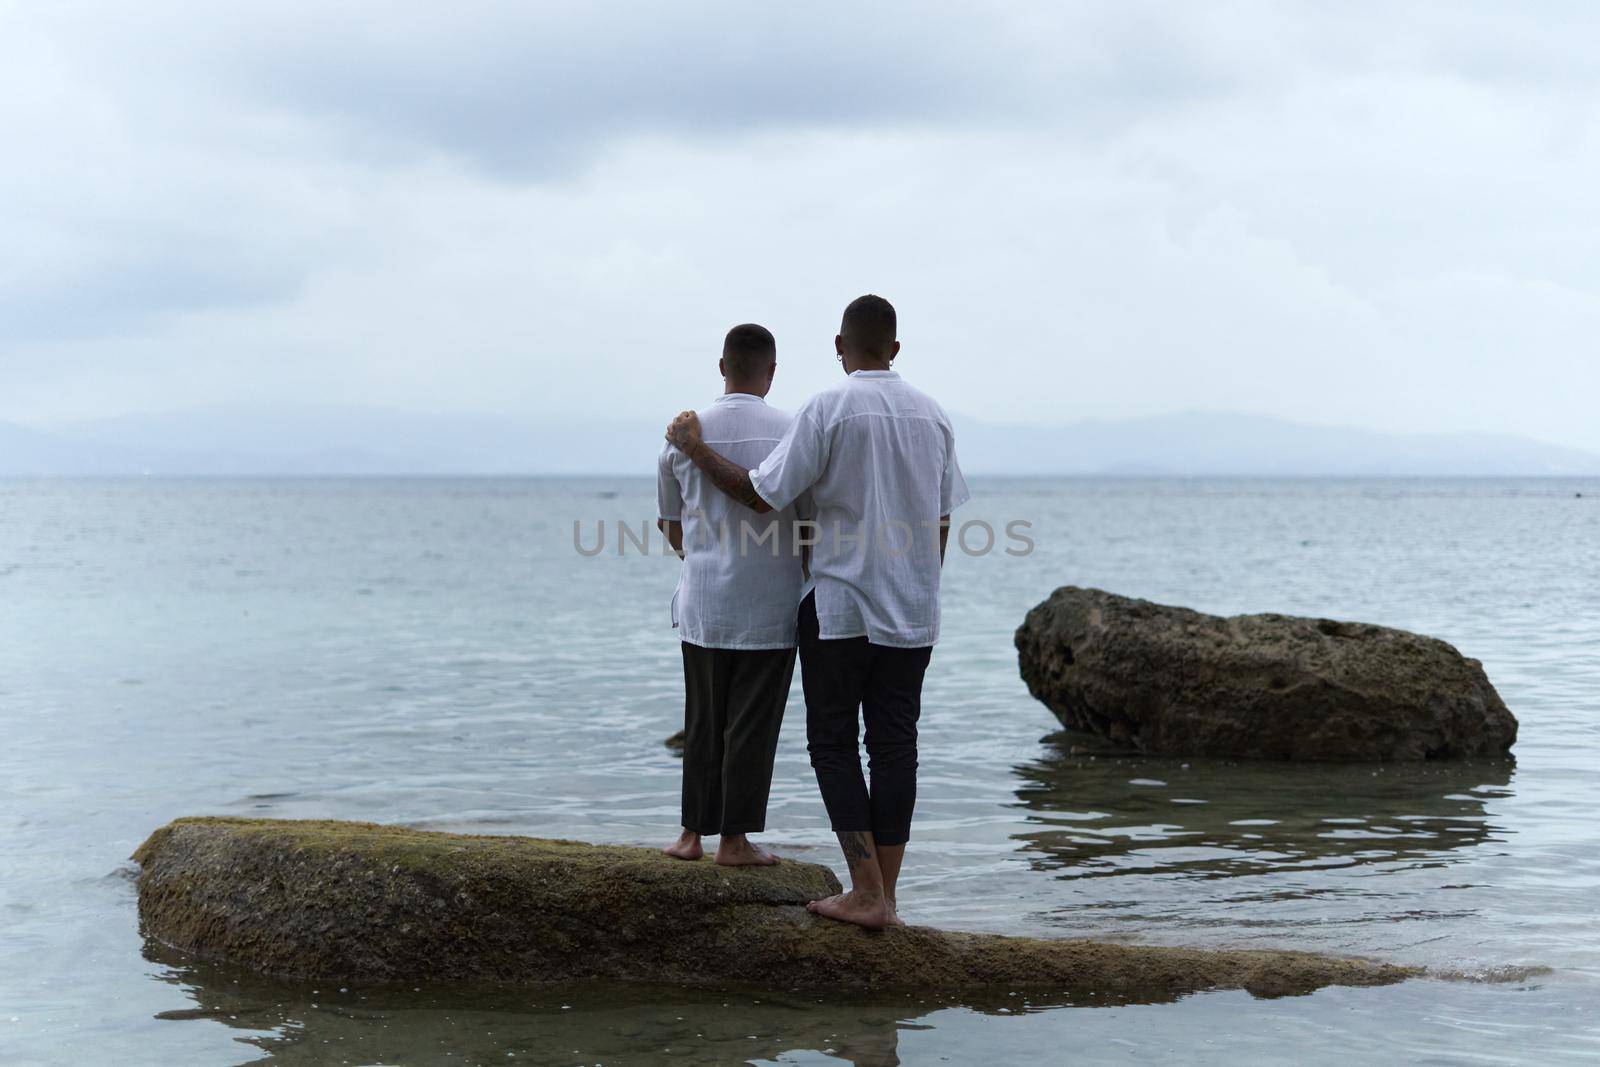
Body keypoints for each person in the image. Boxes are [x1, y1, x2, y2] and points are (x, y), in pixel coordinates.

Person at [665, 294, 968, 928]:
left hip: (839, 607)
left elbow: (758, 493)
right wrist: (917, 583)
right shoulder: (934, 416)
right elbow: (941, 522)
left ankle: (865, 892)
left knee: (833, 743)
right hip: (912, 611)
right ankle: (885, 894)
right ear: (896, 348)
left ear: (839, 346)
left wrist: (694, 448)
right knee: (896, 747)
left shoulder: (828, 409)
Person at [657, 323, 810, 866]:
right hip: (769, 604)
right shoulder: (794, 431)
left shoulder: (681, 436)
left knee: (702, 718)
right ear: (771, 371)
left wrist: (698, 554)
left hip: (704, 602)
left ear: (722, 367)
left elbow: (669, 523)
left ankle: (690, 836)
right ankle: (736, 842)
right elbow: (808, 523)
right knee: (751, 725)